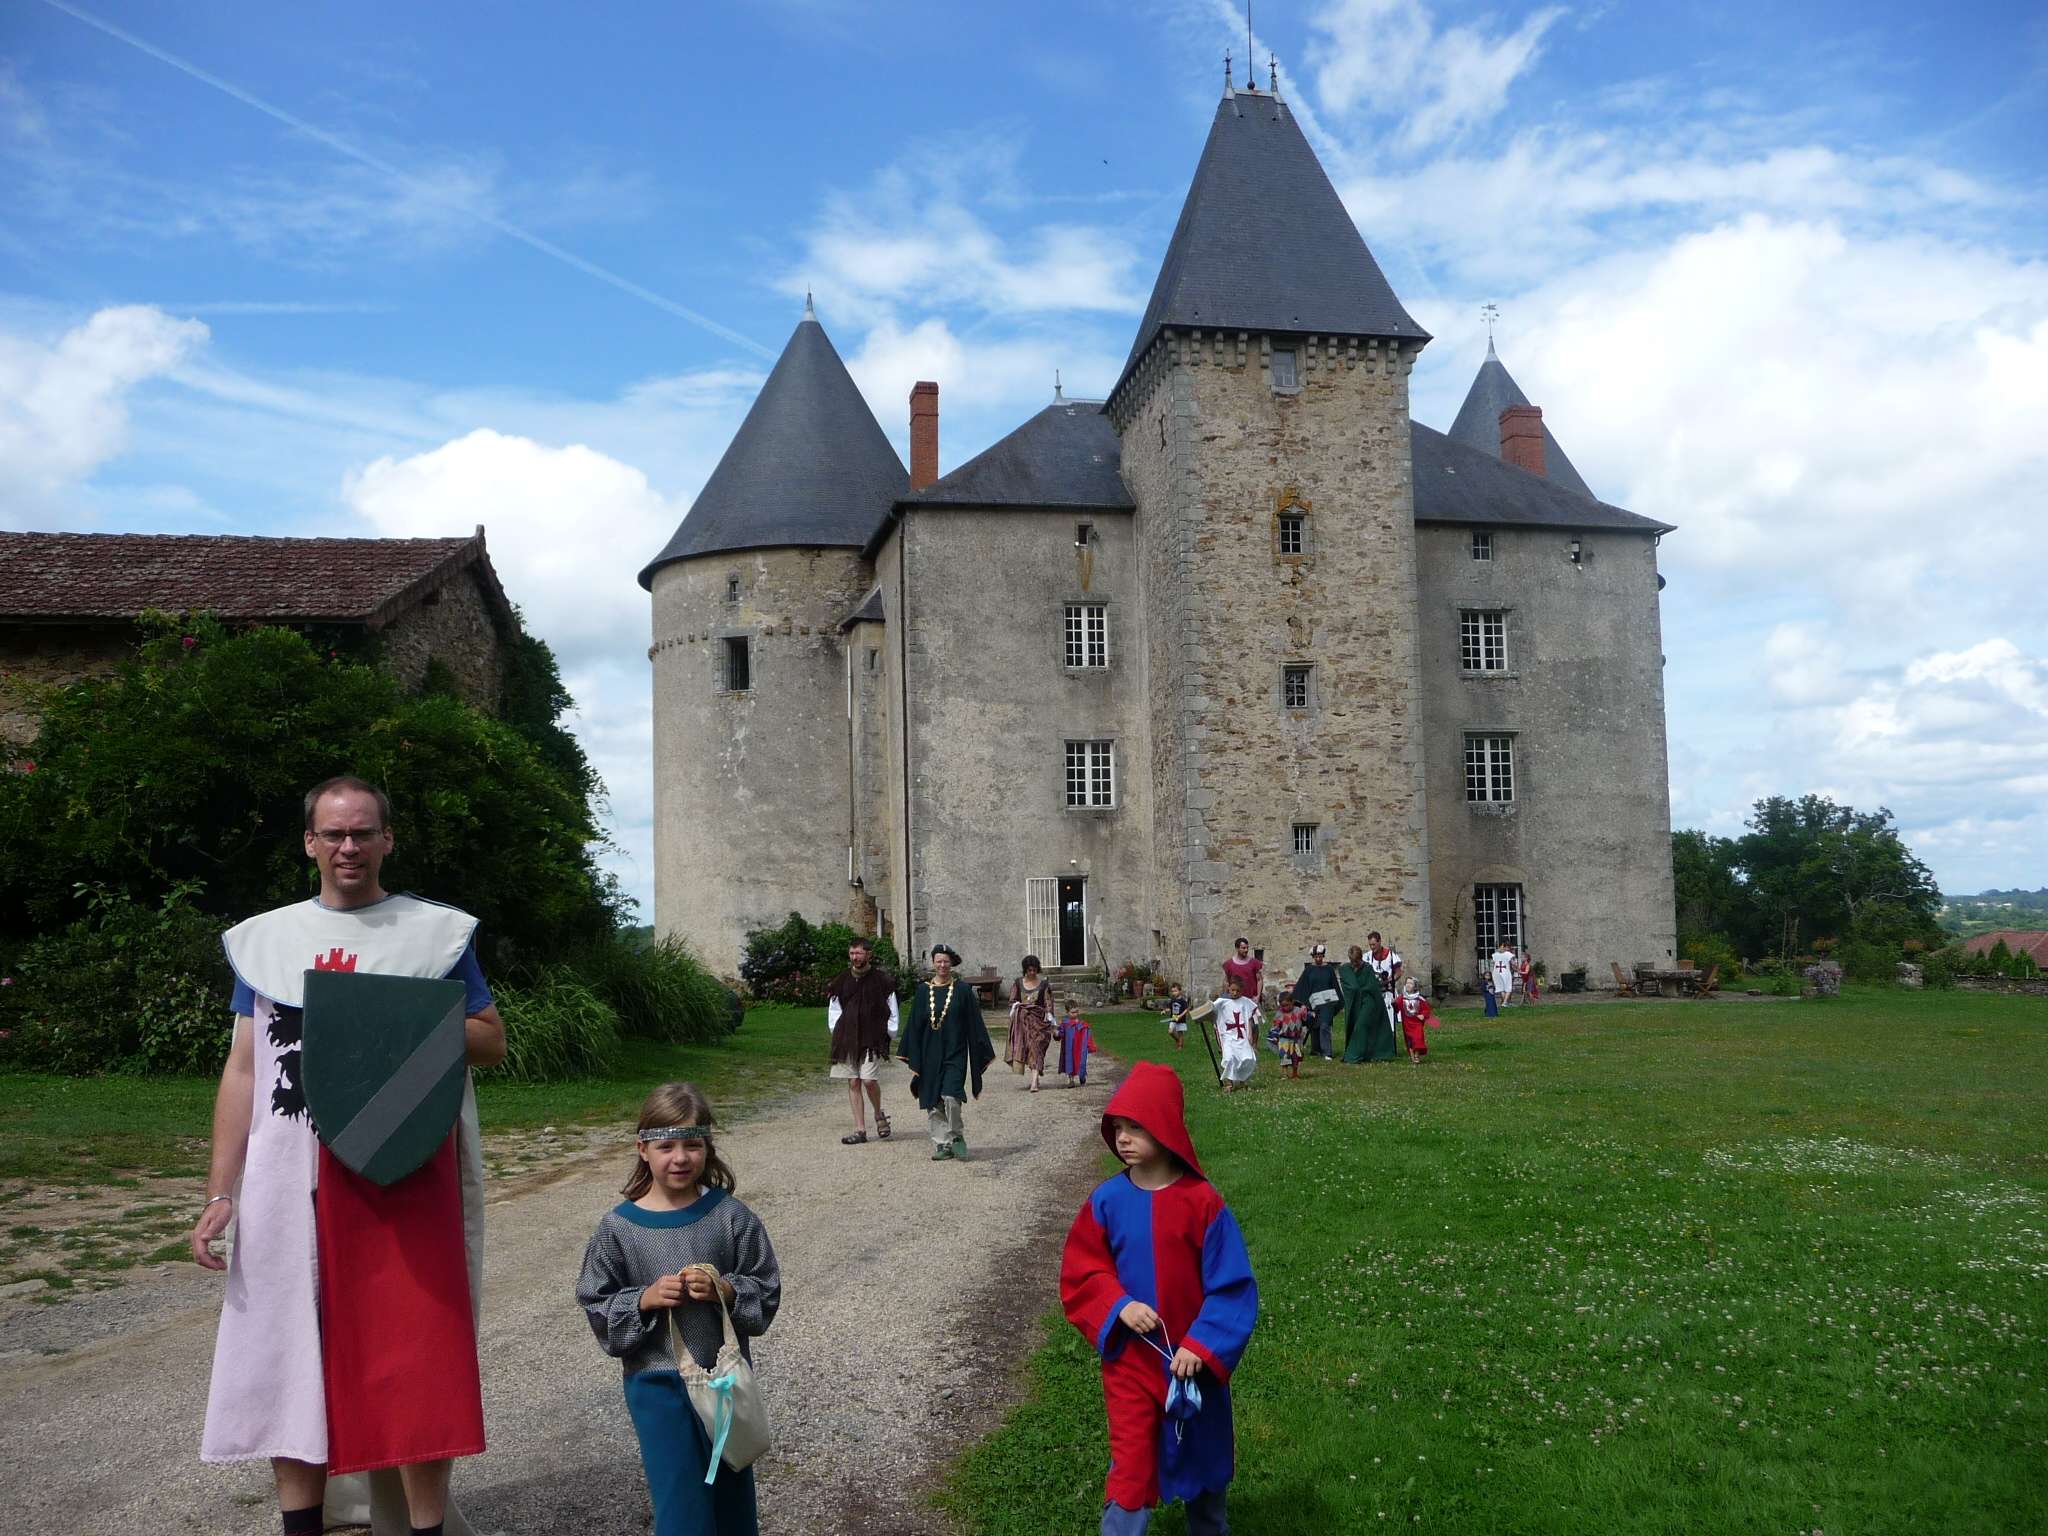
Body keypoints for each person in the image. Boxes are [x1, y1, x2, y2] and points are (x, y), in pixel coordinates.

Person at [192, 775, 504, 1536]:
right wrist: (218, 1191)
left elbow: (489, 1042)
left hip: (394, 1164)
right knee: (283, 1348)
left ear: (387, 839)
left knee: (414, 1353)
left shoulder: (432, 936)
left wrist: (392, 1013)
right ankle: (306, 1528)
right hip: (282, 1167)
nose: (348, 846)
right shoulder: (265, 941)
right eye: (333, 834)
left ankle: (422, 1529)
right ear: (310, 843)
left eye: (363, 832)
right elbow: (244, 1069)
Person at [1059, 1062, 1258, 1535]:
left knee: (1204, 1455)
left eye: (1137, 1127)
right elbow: (1083, 1270)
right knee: (1131, 1462)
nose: (1123, 1138)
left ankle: (1209, 1527)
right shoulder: (1106, 1201)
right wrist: (1117, 1304)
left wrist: (1201, 1345)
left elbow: (1232, 1284)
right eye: (1119, 1127)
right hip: (1130, 1361)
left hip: (1192, 1366)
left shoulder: (1201, 1202)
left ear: (1165, 1127)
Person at [576, 1082, 781, 1536]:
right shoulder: (619, 1229)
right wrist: (643, 1299)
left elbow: (765, 1287)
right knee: (680, 1502)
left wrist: (726, 1290)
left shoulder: (731, 1218)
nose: (680, 1157)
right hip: (656, 1386)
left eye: (692, 1145)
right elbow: (596, 1300)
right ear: (642, 1149)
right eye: (666, 1146)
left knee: (732, 1496)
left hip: (723, 1382)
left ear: (707, 1148)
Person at [900, 944, 995, 1160]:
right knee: (933, 1100)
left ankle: (956, 1136)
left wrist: (981, 1049)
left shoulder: (962, 990)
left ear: (951, 963)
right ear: (933, 963)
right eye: (938, 961)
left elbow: (975, 1023)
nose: (942, 965)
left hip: (955, 1052)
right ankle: (942, 1144)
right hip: (929, 1054)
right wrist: (912, 1052)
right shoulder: (924, 990)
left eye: (946, 961)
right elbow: (915, 1023)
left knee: (951, 1097)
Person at [826, 937, 897, 1144]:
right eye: (852, 953)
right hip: (847, 1038)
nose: (854, 957)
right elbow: (834, 1009)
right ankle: (860, 1130)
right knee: (853, 1081)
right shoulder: (841, 981)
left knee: (869, 1081)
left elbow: (892, 1010)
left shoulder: (882, 981)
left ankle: (878, 1114)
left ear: (868, 954)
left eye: (858, 953)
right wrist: (838, 1033)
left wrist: (888, 1034)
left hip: (872, 1039)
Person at [1007, 955, 1058, 1092]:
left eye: (1034, 970)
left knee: (1036, 1048)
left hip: (1040, 1023)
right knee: (1029, 1049)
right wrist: (1018, 1006)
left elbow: (1048, 1002)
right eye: (1029, 970)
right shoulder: (1018, 983)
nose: (1032, 972)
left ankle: (1034, 1081)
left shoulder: (1044, 985)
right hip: (1023, 1023)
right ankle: (1035, 1078)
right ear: (1025, 970)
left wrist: (1050, 1018)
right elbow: (1012, 1001)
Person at [1292, 942, 1341, 1061]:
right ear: (1313, 957)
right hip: (1314, 1003)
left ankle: (1327, 1052)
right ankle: (1316, 1049)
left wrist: (1337, 1001)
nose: (1318, 958)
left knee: (1325, 1025)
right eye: (1316, 956)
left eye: (1320, 956)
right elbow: (1303, 986)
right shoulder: (1309, 970)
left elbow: (1334, 985)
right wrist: (1304, 1004)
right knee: (1315, 1026)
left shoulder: (1329, 969)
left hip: (1327, 1003)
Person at [1211, 974, 1258, 1091]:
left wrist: (1251, 1034)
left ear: (1242, 990)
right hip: (1228, 1036)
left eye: (1238, 990)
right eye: (1233, 990)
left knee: (1246, 1058)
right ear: (1228, 988)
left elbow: (1250, 1018)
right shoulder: (1221, 1002)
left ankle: (1242, 1081)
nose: (1235, 993)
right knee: (1230, 1058)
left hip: (1242, 1036)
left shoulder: (1245, 1002)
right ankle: (1229, 1083)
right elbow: (1209, 1009)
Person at [1366, 932, 1402, 1042]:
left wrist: (1388, 980)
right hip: (1374, 993)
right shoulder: (1367, 956)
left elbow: (1399, 972)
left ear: (1379, 942)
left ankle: (1389, 1045)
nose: (1372, 947)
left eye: (1374, 945)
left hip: (1387, 992)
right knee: (1374, 1020)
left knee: (1389, 1020)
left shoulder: (1390, 955)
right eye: (1370, 945)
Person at [1396, 979, 1439, 1064]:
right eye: (1407, 983)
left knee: (1417, 1038)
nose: (1408, 985)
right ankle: (1412, 1055)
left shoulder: (1419, 999)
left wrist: (1423, 1015)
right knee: (1410, 1040)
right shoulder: (1402, 997)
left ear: (1415, 986)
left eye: (1410, 983)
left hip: (1416, 1022)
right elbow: (1397, 1006)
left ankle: (1417, 1055)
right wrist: (1394, 1003)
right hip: (1407, 1022)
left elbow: (1426, 1009)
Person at [1271, 991, 1308, 1080]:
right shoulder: (1279, 1014)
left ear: (1292, 1002)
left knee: (1296, 1056)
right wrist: (1275, 1034)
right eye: (1282, 1006)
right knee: (1284, 1056)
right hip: (1284, 1038)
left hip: (1296, 1038)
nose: (1285, 1007)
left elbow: (1305, 1017)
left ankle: (1295, 1074)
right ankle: (1284, 1073)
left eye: (1287, 1005)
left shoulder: (1298, 1011)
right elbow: (1275, 1026)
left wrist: (1306, 1012)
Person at [1059, 1000, 1094, 1088]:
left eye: (1076, 1012)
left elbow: (1087, 1035)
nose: (1075, 1014)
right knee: (1069, 1062)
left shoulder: (1082, 1024)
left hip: (1079, 1047)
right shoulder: (1065, 1024)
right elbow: (1061, 1033)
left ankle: (1082, 1076)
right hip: (1069, 1048)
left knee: (1081, 1061)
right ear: (1067, 1012)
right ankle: (1071, 1080)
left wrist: (1089, 1045)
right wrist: (1056, 1033)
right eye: (1072, 1012)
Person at [1221, 937, 1263, 1010]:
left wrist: (1258, 996)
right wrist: (1225, 997)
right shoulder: (1229, 964)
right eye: (1243, 948)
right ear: (1237, 948)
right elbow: (1226, 982)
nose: (1246, 950)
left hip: (1251, 999)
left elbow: (1259, 980)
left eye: (1247, 948)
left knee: (1251, 1021)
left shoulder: (1254, 963)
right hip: (1235, 999)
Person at [1489, 940, 1516, 1017]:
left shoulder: (1495, 954)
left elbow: (1492, 963)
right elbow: (1513, 963)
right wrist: (1516, 967)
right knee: (1508, 988)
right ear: (1504, 946)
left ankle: (1505, 1002)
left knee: (1501, 988)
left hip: (1496, 972)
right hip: (1505, 972)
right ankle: (1505, 1003)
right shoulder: (1508, 954)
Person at [1164, 983, 1191, 1050]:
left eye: (1175, 991)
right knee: (1170, 1032)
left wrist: (1180, 1016)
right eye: (1172, 991)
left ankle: (1180, 1046)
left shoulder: (1183, 1001)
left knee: (1180, 1033)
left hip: (1181, 1020)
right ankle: (1177, 1040)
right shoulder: (1172, 1000)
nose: (1174, 993)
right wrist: (1165, 1011)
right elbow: (1169, 1008)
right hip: (1173, 1019)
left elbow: (1186, 1009)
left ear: (1180, 991)